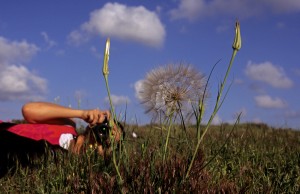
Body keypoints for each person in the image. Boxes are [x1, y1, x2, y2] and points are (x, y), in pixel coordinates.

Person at [21, 101, 122, 155]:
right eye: (105, 128)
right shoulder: (68, 125)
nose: (104, 134)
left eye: (109, 141)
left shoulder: (70, 170)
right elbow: (28, 110)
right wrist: (82, 114)